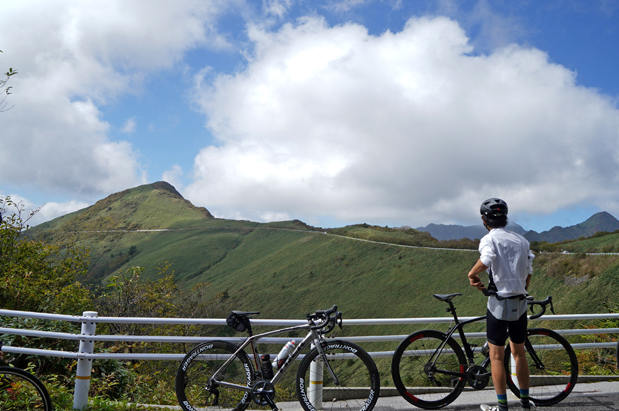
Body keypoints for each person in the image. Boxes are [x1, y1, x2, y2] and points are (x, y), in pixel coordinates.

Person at [467, 198, 535, 411]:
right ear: (505, 218)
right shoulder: (522, 241)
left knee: (496, 356)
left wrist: (471, 274)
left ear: (484, 220)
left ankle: (502, 407)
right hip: (520, 304)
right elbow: (528, 274)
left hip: (498, 304)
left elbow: (487, 259)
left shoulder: (489, 239)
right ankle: (525, 403)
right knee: (519, 353)